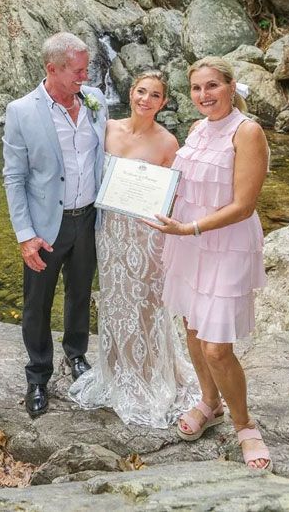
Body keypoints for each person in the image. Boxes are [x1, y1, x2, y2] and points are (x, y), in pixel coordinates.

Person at [144, 57, 271, 471]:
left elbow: (243, 205)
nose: (204, 96)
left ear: (231, 87)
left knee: (218, 346)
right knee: (194, 328)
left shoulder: (247, 132)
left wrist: (189, 228)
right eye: (197, 88)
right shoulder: (197, 129)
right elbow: (184, 184)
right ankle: (209, 402)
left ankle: (245, 424)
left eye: (212, 86)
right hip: (190, 241)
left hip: (224, 242)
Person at [69, 71, 199, 427]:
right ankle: (116, 371)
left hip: (145, 235)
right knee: (114, 299)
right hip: (109, 231)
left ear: (163, 102)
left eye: (155, 95)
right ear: (130, 93)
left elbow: (173, 196)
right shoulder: (107, 127)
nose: (146, 99)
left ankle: (149, 373)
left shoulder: (168, 142)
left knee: (146, 301)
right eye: (141, 91)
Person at [3, 32, 107, 417]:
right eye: (78, 70)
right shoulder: (22, 111)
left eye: (87, 68)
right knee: (37, 304)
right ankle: (37, 375)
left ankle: (76, 356)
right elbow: (14, 178)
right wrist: (25, 235)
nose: (86, 76)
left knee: (80, 293)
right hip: (47, 226)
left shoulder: (95, 102)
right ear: (53, 69)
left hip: (89, 219)